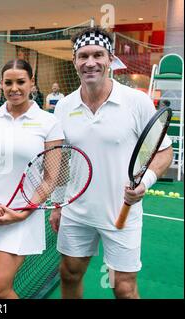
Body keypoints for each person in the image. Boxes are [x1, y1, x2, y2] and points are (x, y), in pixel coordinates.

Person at [50, 26, 173, 299]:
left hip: (122, 213)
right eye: (83, 56)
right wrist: (58, 204)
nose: (90, 62)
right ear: (74, 61)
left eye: (97, 55)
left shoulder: (136, 102)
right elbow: (60, 160)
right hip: (76, 212)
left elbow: (165, 153)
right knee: (68, 274)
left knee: (124, 289)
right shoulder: (63, 106)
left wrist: (146, 182)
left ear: (110, 59)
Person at [0, 59, 64, 299]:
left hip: (23, 215)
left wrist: (23, 212)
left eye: (21, 82)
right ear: (1, 84)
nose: (14, 88)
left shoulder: (49, 123)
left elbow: (50, 178)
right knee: (3, 288)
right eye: (8, 82)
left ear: (32, 83)